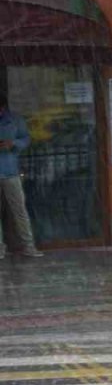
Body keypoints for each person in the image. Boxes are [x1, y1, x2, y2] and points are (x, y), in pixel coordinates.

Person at [0, 93, 42, 260]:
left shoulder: (15, 120)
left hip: (11, 171)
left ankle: (28, 245)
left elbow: (26, 139)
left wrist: (13, 144)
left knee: (19, 211)